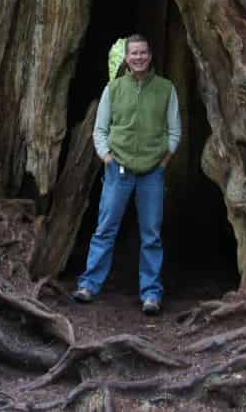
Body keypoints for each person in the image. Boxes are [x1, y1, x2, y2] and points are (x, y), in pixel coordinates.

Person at [71, 34, 180, 315]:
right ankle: (89, 285)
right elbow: (100, 130)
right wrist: (106, 156)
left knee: (151, 234)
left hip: (152, 172)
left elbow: (174, 131)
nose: (139, 57)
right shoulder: (114, 89)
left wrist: (163, 161)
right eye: (134, 53)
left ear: (150, 55)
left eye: (143, 52)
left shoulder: (166, 89)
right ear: (127, 58)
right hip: (118, 169)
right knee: (105, 229)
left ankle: (151, 294)